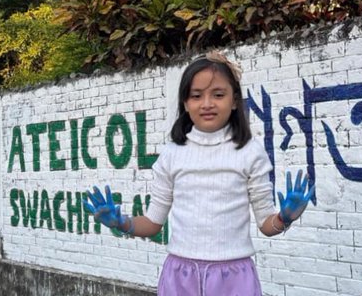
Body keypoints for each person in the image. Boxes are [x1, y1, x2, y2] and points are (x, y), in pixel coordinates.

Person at [83, 52, 314, 296]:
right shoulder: (172, 155)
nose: (207, 104)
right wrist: (123, 223)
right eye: (196, 96)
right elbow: (152, 224)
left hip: (233, 279)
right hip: (180, 278)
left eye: (218, 94)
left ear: (234, 101)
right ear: (185, 103)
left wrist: (284, 218)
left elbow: (266, 225)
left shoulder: (251, 153)